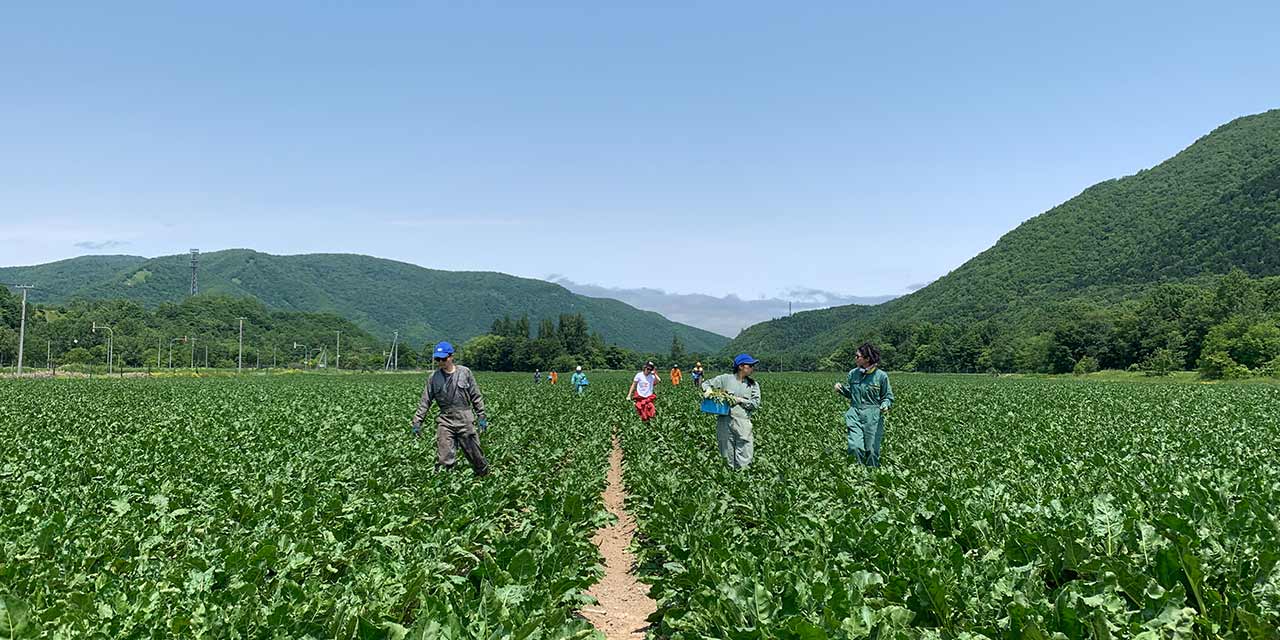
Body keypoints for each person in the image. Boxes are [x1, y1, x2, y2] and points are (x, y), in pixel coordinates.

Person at [411, 341, 491, 477]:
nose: (441, 362)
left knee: (475, 455)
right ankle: (445, 484)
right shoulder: (433, 378)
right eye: (438, 359)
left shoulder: (465, 372)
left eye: (444, 358)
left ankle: (484, 476)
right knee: (444, 456)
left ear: (451, 356)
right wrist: (417, 421)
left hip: (465, 418)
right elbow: (425, 401)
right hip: (445, 420)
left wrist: (481, 416)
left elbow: (476, 396)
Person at [834, 343, 893, 467]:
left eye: (857, 356)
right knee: (855, 447)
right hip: (854, 413)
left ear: (867, 359)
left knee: (872, 451)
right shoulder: (853, 374)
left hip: (873, 416)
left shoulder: (881, 376)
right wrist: (842, 390)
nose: (855, 358)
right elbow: (851, 394)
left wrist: (885, 405)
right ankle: (856, 474)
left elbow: (887, 396)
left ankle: (872, 477)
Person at [702, 354, 762, 469]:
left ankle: (742, 478)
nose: (752, 368)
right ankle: (729, 480)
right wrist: (708, 391)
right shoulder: (725, 379)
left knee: (744, 452)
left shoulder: (753, 385)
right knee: (726, 452)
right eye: (750, 365)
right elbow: (706, 384)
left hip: (742, 421)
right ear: (740, 367)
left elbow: (755, 404)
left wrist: (740, 400)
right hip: (724, 421)